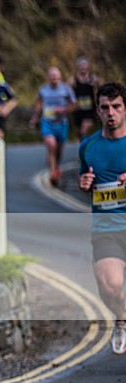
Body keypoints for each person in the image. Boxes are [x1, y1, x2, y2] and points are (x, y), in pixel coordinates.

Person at [77, 82, 126, 354]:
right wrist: (84, 183)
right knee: (109, 284)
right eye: (105, 107)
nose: (111, 113)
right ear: (97, 110)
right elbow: (87, 182)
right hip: (107, 229)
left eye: (117, 107)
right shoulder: (89, 146)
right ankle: (122, 318)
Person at [30, 67, 77, 186]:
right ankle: (52, 172)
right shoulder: (43, 89)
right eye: (51, 76)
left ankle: (56, 166)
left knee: (59, 149)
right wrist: (35, 116)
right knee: (51, 145)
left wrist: (64, 110)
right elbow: (38, 103)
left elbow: (74, 104)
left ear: (60, 77)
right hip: (47, 122)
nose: (54, 78)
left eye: (56, 75)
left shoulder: (66, 89)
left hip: (61, 124)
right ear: (48, 77)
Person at [68, 56, 101, 139]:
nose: (83, 67)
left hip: (89, 110)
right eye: (81, 65)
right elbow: (66, 93)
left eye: (85, 65)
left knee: (84, 131)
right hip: (77, 110)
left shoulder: (93, 78)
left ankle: (86, 149)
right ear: (78, 67)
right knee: (79, 133)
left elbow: (101, 90)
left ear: (88, 66)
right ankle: (84, 148)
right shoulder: (73, 80)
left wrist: (99, 102)